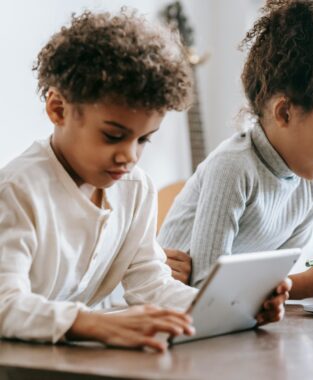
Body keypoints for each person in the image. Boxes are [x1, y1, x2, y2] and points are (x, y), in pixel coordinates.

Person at [0, 9, 290, 352]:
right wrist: (94, 323)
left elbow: (151, 284)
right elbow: (5, 304)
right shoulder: (17, 191)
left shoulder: (135, 189)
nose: (130, 156)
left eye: (143, 140)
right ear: (58, 109)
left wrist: (236, 310)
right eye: (112, 136)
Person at [158, 0, 313, 297]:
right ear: (284, 113)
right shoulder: (233, 167)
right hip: (167, 312)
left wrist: (299, 281)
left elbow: (273, 276)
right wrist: (309, 285)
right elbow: (208, 289)